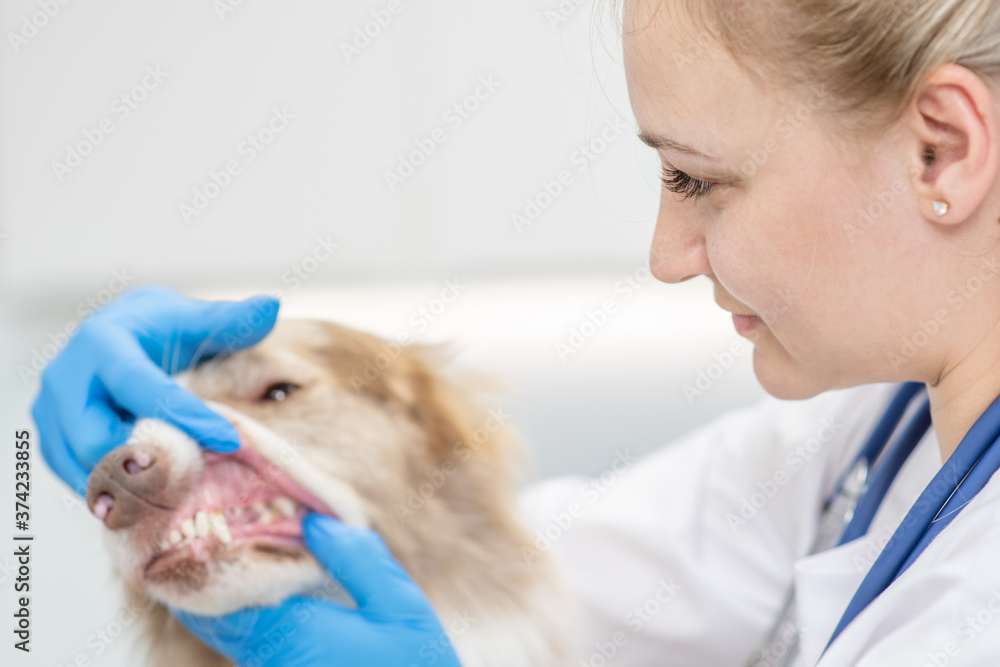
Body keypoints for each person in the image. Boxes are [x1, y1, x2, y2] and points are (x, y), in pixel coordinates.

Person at [30, 0, 1000, 664]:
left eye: (697, 179)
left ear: (940, 150)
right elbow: (533, 570)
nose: (666, 253)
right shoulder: (875, 434)